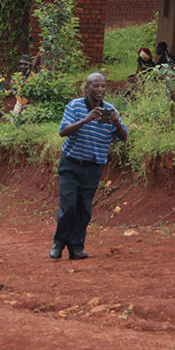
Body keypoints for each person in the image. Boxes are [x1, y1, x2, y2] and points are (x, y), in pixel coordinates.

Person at [50, 73, 128, 261]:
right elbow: (63, 131)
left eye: (103, 86)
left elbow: (122, 137)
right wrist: (85, 120)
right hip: (71, 163)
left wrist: (117, 124)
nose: (100, 89)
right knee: (69, 206)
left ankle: (76, 247)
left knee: (84, 209)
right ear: (87, 88)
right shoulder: (75, 106)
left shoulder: (109, 111)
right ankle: (58, 243)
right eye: (95, 85)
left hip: (93, 167)